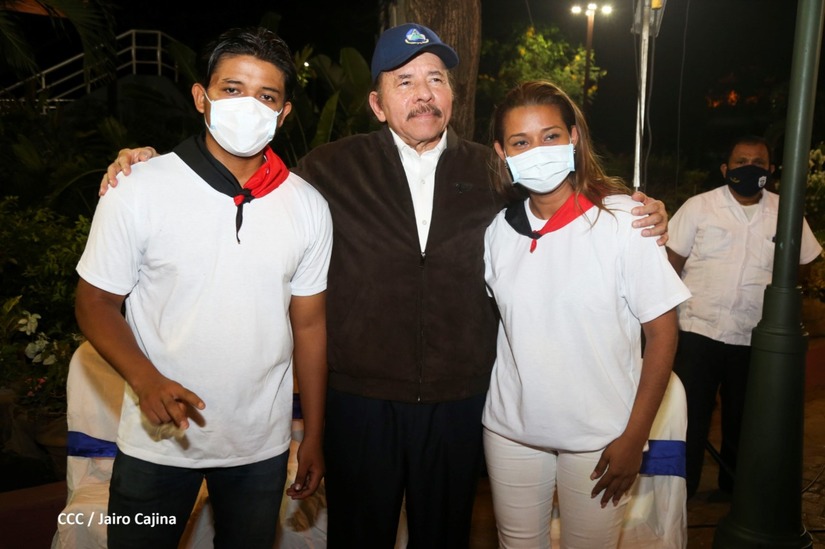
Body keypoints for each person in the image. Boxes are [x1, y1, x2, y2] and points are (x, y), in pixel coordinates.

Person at [99, 23, 669, 549]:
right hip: (359, 403)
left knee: (444, 537)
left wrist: (638, 207)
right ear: (377, 103)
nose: (423, 94)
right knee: (358, 537)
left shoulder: (496, 171)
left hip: (459, 401)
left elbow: (562, 198)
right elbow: (242, 181)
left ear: (452, 95)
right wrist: (142, 160)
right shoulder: (328, 168)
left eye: (436, 80)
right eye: (405, 82)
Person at [75, 27, 332, 548]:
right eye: (232, 89)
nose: (248, 105)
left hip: (259, 447)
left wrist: (314, 436)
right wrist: (146, 380)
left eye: (266, 96)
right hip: (157, 442)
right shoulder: (138, 188)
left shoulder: (308, 206)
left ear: (283, 113)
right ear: (201, 97)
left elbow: (309, 327)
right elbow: (95, 302)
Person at [481, 80, 690, 548]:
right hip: (511, 431)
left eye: (550, 136)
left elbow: (662, 334)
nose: (538, 151)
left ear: (573, 137)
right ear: (502, 152)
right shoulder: (498, 231)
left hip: (601, 435)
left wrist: (635, 438)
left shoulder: (625, 221)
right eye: (521, 142)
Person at [667, 135, 822, 499]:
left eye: (758, 162)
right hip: (697, 330)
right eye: (740, 162)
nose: (749, 168)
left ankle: (735, 491)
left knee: (745, 419)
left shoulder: (786, 212)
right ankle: (680, 490)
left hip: (754, 335)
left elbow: (806, 261)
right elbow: (671, 262)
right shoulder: (699, 206)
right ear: (726, 169)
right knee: (689, 416)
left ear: (771, 170)